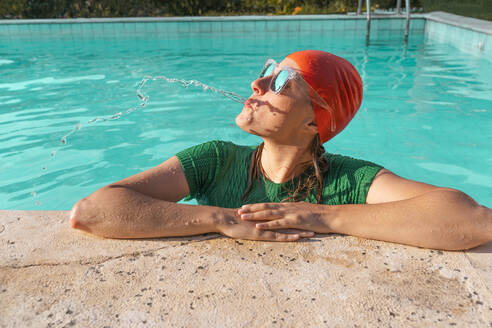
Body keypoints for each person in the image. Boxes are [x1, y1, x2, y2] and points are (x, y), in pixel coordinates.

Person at [69, 50, 492, 250]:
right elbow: (92, 211)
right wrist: (223, 220)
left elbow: (472, 220)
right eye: (267, 72)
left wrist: (323, 215)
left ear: (314, 122)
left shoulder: (350, 180)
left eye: (282, 82)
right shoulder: (216, 160)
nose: (257, 85)